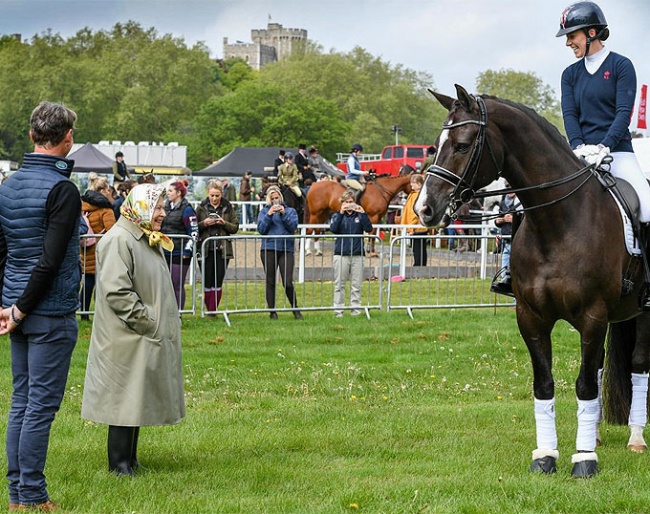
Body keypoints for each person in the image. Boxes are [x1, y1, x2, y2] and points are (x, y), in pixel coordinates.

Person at [0, 101, 80, 511]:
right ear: (68, 138)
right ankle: (31, 495)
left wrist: (9, 306)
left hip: (18, 307)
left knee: (22, 401)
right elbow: (49, 261)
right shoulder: (63, 189)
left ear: (33, 136)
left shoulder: (9, 185)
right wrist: (20, 309)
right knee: (39, 407)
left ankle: (18, 495)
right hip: (46, 312)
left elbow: (4, 250)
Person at [81, 183, 185, 477]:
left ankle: (131, 460)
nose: (163, 213)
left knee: (134, 398)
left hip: (136, 335)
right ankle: (119, 465)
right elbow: (117, 292)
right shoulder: (119, 240)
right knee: (122, 401)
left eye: (164, 207)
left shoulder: (140, 237)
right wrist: (147, 321)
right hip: (125, 337)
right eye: (159, 207)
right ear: (140, 207)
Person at [557, 1, 650, 306]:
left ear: (592, 32)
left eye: (573, 35)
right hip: (581, 155)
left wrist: (604, 146)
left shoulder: (621, 66)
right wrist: (578, 146)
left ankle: (647, 283)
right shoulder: (570, 74)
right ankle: (512, 272)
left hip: (618, 153)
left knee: (648, 208)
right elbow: (569, 114)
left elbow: (624, 113)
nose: (569, 41)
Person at [257, 185, 302, 320]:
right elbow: (261, 229)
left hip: (286, 249)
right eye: (272, 199)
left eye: (277, 198)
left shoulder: (290, 211)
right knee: (270, 281)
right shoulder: (264, 212)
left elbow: (293, 227)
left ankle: (295, 309)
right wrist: (269, 215)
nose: (275, 201)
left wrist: (283, 214)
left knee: (288, 281)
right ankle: (272, 312)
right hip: (269, 248)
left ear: (281, 198)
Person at [196, 180, 240, 313]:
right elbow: (193, 227)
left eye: (217, 195)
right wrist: (204, 223)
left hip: (222, 250)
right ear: (208, 194)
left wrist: (223, 223)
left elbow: (235, 227)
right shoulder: (201, 207)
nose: (214, 198)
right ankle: (209, 309)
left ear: (222, 194)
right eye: (212, 195)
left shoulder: (228, 207)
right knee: (207, 280)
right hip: (205, 249)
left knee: (218, 280)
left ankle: (213, 310)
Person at [330, 190, 373, 317]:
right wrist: (341, 213)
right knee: (339, 284)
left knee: (356, 284)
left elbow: (369, 228)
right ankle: (338, 310)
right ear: (342, 203)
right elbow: (333, 229)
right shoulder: (337, 215)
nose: (349, 204)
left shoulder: (359, 215)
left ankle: (355, 310)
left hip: (357, 253)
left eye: (351, 202)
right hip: (341, 253)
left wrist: (363, 213)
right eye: (346, 202)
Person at [80, 173, 117, 320]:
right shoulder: (106, 211)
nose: (110, 192)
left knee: (88, 283)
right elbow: (112, 231)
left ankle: (83, 313)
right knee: (101, 285)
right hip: (102, 252)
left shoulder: (85, 208)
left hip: (86, 249)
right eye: (108, 190)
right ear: (102, 191)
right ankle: (100, 313)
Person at [160, 180, 198, 310]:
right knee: (165, 284)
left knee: (177, 283)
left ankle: (178, 313)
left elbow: (194, 231)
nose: (168, 193)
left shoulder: (187, 209)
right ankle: (166, 312)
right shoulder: (165, 207)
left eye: (170, 191)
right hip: (164, 250)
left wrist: (188, 251)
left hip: (180, 252)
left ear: (179, 193)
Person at [490, 187, 522, 296]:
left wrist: (514, 220)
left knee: (517, 274)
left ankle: (516, 301)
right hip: (505, 242)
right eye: (507, 188)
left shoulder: (521, 202)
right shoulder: (503, 203)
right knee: (505, 274)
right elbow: (497, 220)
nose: (510, 190)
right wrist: (500, 221)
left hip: (517, 242)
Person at [401, 174, 429, 266]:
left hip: (417, 227)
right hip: (418, 226)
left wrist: (411, 227)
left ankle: (418, 265)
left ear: (419, 184)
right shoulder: (415, 194)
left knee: (417, 249)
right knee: (420, 248)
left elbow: (414, 213)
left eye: (413, 183)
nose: (411, 185)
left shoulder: (417, 196)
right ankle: (421, 265)